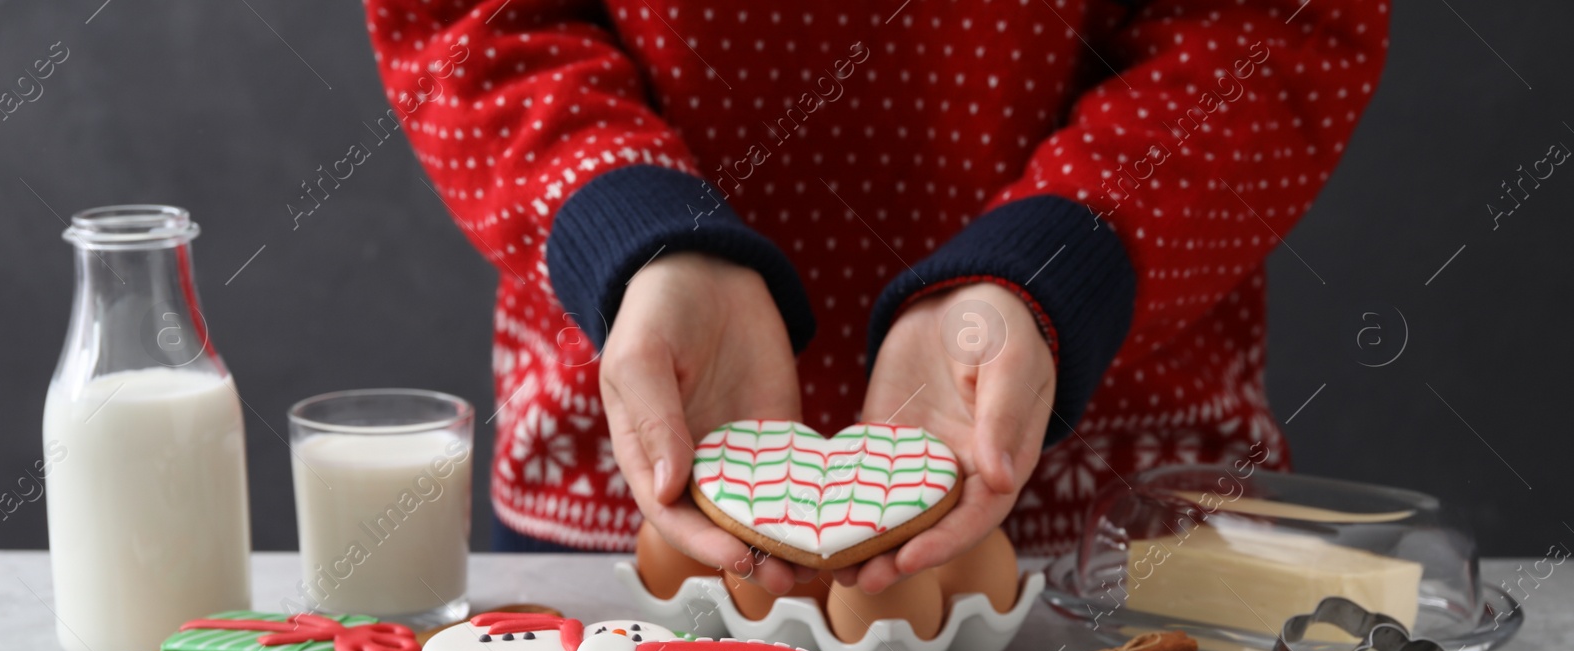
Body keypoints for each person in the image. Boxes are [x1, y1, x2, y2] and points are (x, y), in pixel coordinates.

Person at [363, 0, 1388, 593]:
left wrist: (1052, 264)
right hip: (634, 461)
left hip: (1111, 510)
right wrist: (635, 232)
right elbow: (468, 21)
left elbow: (1280, 25)